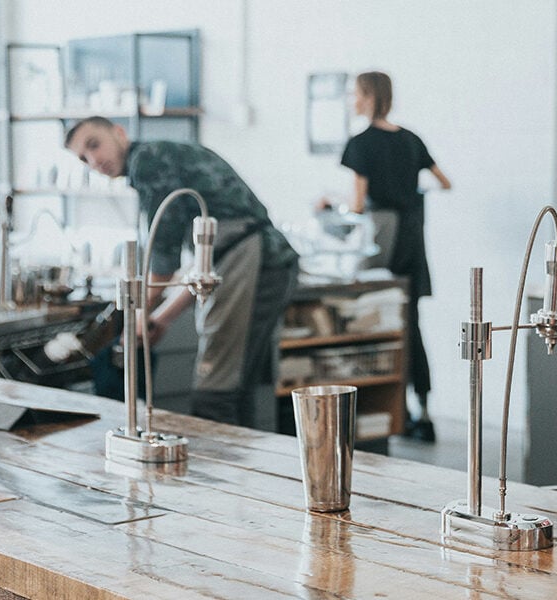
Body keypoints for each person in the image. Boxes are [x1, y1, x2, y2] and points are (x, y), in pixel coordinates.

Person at [65, 116, 299, 428]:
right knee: (233, 387)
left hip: (256, 259)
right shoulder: (162, 156)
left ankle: (222, 473)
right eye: (84, 158)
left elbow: (164, 262)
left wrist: (136, 315)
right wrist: (161, 317)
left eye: (94, 145)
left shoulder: (148, 161)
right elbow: (204, 267)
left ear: (119, 133)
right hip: (260, 260)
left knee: (215, 392)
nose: (94, 161)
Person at [340, 71, 451, 442]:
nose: (351, 99)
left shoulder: (360, 143)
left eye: (355, 93)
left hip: (381, 239)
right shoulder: (410, 140)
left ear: (369, 96)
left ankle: (381, 412)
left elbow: (357, 205)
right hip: (412, 238)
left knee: (372, 322)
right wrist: (412, 191)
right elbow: (444, 181)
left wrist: (331, 206)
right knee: (411, 325)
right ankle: (423, 410)